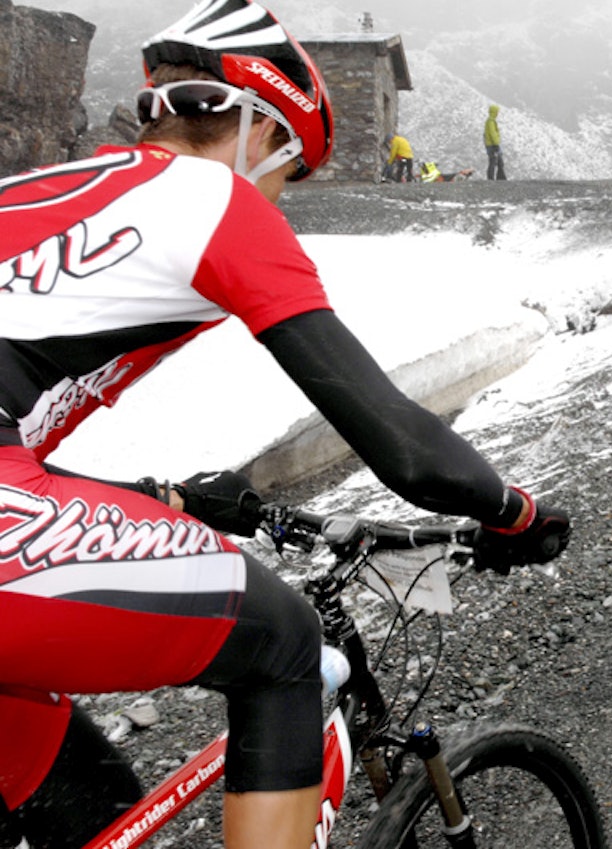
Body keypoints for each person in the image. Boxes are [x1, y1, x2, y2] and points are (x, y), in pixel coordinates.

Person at [0, 2, 569, 848]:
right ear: (258, 129)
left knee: (93, 807)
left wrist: (161, 495)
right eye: (289, 169)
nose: (279, 197)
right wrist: (517, 513)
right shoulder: (212, 200)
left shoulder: (42, 192)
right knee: (284, 647)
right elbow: (406, 447)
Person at [484, 104, 507, 180]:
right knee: (494, 161)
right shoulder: (491, 121)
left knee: (496, 161)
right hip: (493, 145)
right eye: (497, 112)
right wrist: (496, 144)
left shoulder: (490, 121)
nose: (498, 113)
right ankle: (494, 178)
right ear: (494, 112)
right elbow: (492, 133)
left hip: (491, 145)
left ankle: (498, 178)